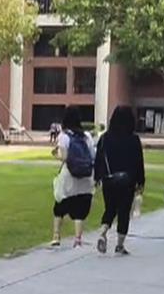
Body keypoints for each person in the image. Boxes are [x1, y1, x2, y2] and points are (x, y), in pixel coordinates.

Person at [93, 105, 145, 256]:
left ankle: (103, 232)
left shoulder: (105, 138)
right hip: (127, 181)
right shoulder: (134, 139)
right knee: (123, 212)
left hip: (109, 180)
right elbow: (138, 162)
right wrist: (140, 181)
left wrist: (98, 177)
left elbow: (99, 160)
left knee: (110, 209)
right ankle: (120, 245)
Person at [50, 106, 96, 248]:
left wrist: (55, 154)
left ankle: (56, 236)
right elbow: (93, 156)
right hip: (85, 178)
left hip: (69, 176)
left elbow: (64, 157)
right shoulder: (87, 136)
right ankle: (77, 239)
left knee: (60, 206)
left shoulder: (64, 136)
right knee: (80, 210)